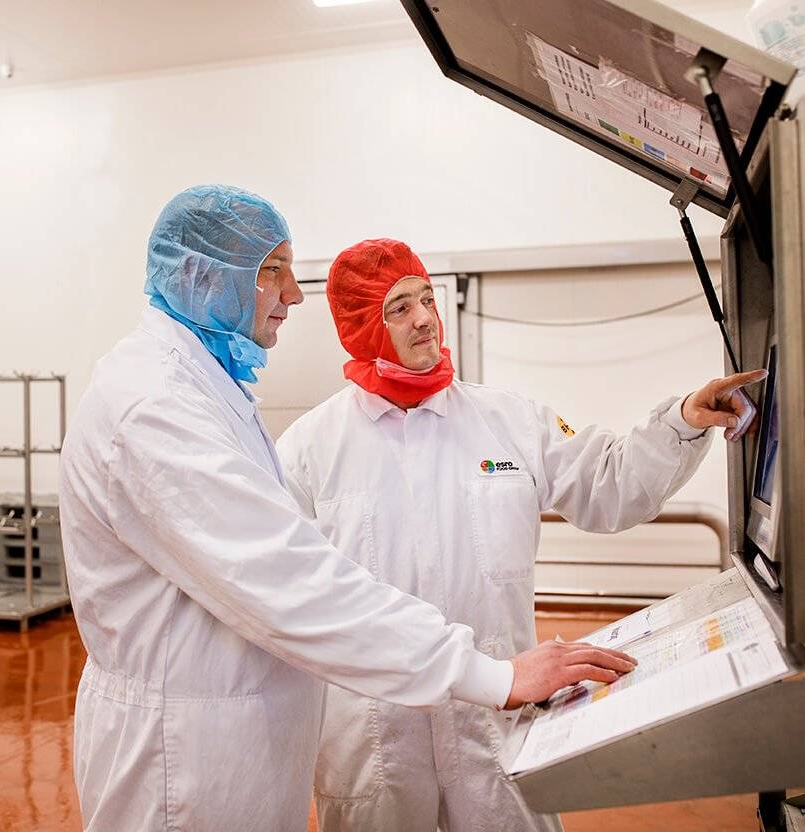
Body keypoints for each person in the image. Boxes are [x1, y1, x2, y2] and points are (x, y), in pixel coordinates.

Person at [58, 187, 635, 832]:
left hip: (241, 739)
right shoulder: (161, 407)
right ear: (201, 277)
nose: (294, 293)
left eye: (427, 300)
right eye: (273, 270)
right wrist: (487, 675)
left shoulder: (208, 390)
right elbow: (291, 579)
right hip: (188, 758)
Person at [275, 237, 766, 832]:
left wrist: (682, 421)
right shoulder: (309, 450)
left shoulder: (508, 420)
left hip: (496, 719)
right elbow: (294, 597)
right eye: (398, 308)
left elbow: (609, 487)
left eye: (427, 298)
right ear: (359, 327)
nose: (425, 318)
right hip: (375, 738)